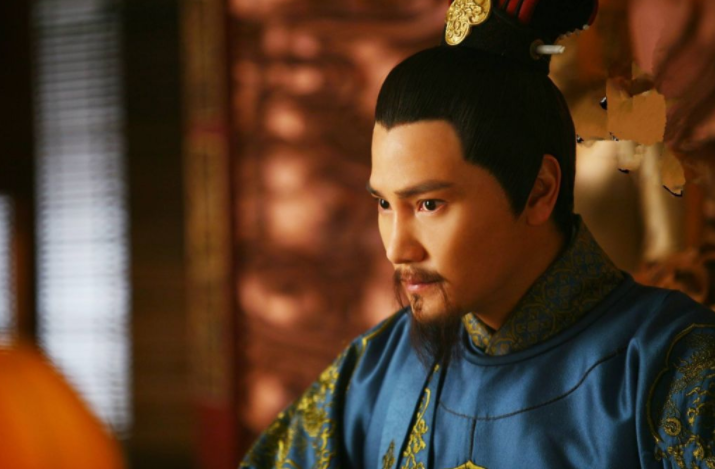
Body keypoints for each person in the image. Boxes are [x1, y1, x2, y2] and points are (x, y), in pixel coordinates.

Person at [240, 0, 715, 468]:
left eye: (429, 204)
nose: (396, 248)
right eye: (385, 204)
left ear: (538, 191)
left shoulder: (676, 374)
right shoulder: (372, 373)